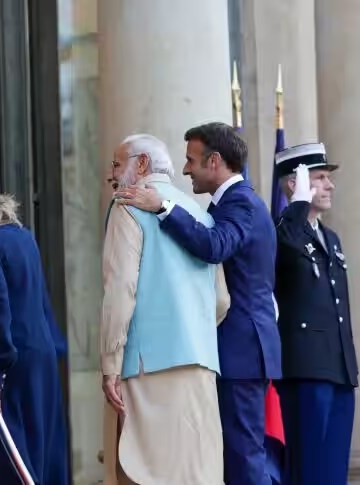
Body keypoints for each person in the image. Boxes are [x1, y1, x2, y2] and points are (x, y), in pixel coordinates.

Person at [115, 122, 281, 485]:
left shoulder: (242, 203)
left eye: (191, 160)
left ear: (215, 161)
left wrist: (163, 206)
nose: (186, 168)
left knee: (243, 457)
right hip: (240, 349)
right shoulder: (234, 203)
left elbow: (214, 246)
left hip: (241, 350)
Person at [100, 134, 228, 485]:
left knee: (143, 474)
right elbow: (221, 300)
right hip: (201, 364)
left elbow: (120, 290)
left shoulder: (128, 203)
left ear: (140, 165)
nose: (111, 174)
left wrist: (110, 363)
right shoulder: (199, 213)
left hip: (146, 367)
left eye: (116, 164)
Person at [0, 178, 69, 485]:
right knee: (43, 445)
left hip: (14, 359)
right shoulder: (24, 237)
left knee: (10, 452)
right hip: (42, 354)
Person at [273, 143, 359, 485]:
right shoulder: (283, 231)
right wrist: (296, 207)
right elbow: (285, 248)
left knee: (333, 470)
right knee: (308, 469)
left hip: (338, 368)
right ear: (295, 184)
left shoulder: (331, 238)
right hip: (305, 369)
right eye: (320, 178)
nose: (330, 185)